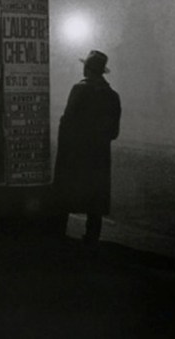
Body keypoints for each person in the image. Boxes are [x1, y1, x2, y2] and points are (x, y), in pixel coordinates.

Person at [53, 50, 121, 245]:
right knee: (95, 196)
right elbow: (114, 132)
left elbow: (67, 122)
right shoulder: (113, 96)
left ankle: (59, 232)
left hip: (75, 152)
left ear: (87, 69)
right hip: (99, 155)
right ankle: (92, 236)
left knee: (66, 191)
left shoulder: (79, 90)